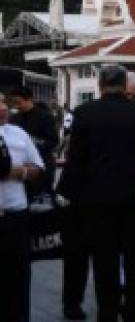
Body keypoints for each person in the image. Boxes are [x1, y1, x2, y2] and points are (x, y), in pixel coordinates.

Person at [59, 64, 135, 322]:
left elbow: (76, 158)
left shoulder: (84, 113)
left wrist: (67, 192)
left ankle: (107, 312)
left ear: (99, 85)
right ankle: (133, 311)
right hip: (133, 196)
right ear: (125, 85)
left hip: (97, 198)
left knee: (105, 260)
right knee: (134, 259)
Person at [0, 97, 45, 322]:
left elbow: (37, 167)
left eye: (3, 103)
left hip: (15, 216)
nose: (3, 108)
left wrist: (15, 172)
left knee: (17, 279)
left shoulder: (18, 134)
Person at [6, 85, 58, 195]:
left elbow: (53, 141)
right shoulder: (14, 118)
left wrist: (31, 146)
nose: (16, 106)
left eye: (18, 102)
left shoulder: (45, 117)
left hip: (42, 166)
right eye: (14, 103)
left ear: (29, 99)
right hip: (21, 168)